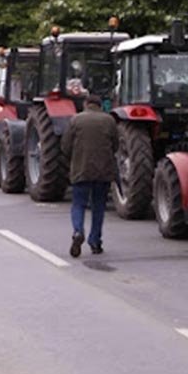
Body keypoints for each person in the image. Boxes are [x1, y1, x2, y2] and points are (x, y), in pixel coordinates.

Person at [61, 93, 119, 257]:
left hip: (81, 170)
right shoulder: (109, 120)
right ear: (100, 105)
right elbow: (115, 145)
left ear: (86, 104)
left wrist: (75, 158)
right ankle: (95, 242)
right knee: (98, 207)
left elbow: (65, 146)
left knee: (78, 204)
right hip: (103, 172)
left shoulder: (76, 120)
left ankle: (78, 231)